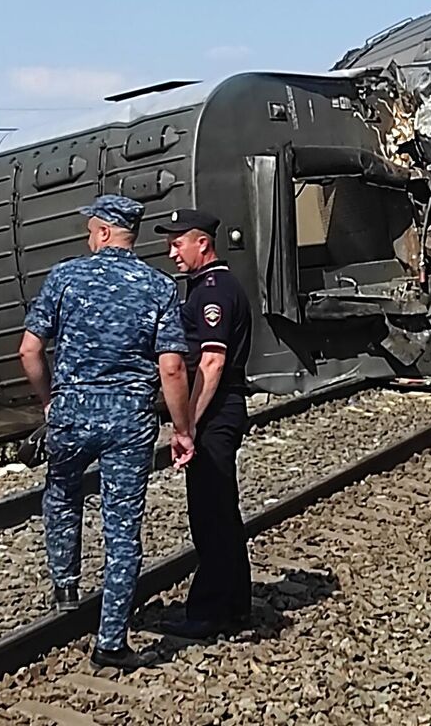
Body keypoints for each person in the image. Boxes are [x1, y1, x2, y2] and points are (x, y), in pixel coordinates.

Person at [20, 194, 196, 669]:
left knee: (61, 495)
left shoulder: (65, 277)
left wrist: (49, 400)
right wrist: (183, 429)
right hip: (128, 420)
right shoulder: (159, 287)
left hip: (72, 412)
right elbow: (174, 368)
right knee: (122, 528)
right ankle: (112, 641)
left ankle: (65, 585)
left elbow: (29, 352)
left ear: (100, 232)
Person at [154, 207, 255, 638]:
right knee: (220, 511)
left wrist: (188, 425)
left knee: (210, 513)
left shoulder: (212, 292)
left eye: (178, 244)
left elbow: (211, 363)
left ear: (202, 243)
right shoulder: (205, 287)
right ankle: (234, 603)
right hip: (218, 409)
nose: (172, 253)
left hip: (215, 410)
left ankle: (210, 611)